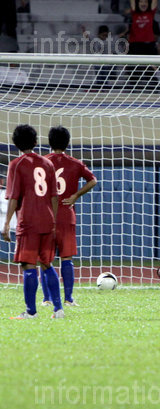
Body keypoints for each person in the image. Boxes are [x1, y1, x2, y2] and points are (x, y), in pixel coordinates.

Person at [3, 125, 64, 319]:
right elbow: (54, 196)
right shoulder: (47, 163)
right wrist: (53, 221)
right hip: (47, 220)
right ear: (36, 141)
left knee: (28, 265)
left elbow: (13, 197)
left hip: (28, 221)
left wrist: (6, 223)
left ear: (15, 143)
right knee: (46, 263)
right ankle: (59, 309)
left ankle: (31, 312)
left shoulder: (16, 164)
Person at [39, 126, 97, 307]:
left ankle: (47, 299)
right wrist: (75, 196)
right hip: (66, 213)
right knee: (67, 258)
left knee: (45, 259)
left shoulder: (42, 162)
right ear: (67, 142)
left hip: (46, 214)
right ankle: (69, 298)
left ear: (50, 142)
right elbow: (93, 180)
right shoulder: (75, 163)